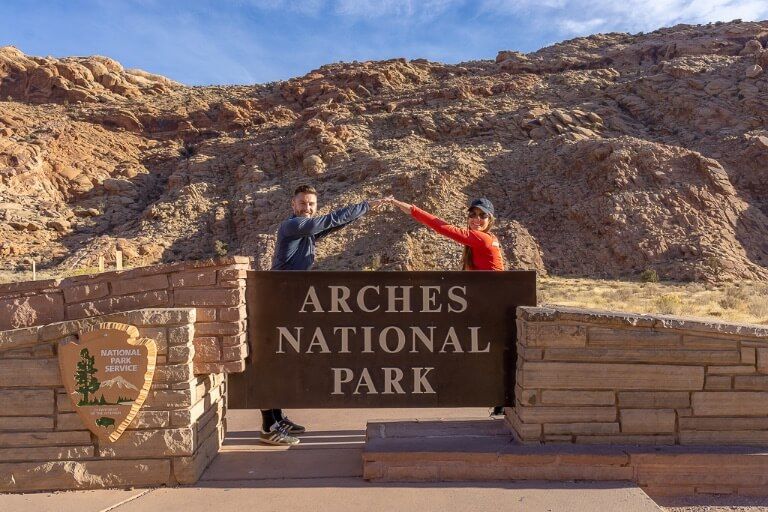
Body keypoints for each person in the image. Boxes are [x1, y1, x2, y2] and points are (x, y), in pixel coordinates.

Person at [261, 185, 388, 445]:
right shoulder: (293, 225)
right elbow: (328, 221)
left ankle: (278, 416)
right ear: (293, 205)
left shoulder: (304, 232)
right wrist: (365, 204)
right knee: (273, 362)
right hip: (279, 299)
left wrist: (363, 211)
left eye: (311, 204)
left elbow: (330, 227)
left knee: (284, 361)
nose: (307, 208)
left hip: (292, 300)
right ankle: (268, 426)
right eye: (303, 203)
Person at [388, 196, 506, 415]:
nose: (476, 219)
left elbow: (440, 226)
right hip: (487, 303)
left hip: (491, 306)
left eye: (482, 215)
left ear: (491, 219)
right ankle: (498, 399)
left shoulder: (483, 240)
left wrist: (409, 208)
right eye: (472, 214)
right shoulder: (484, 239)